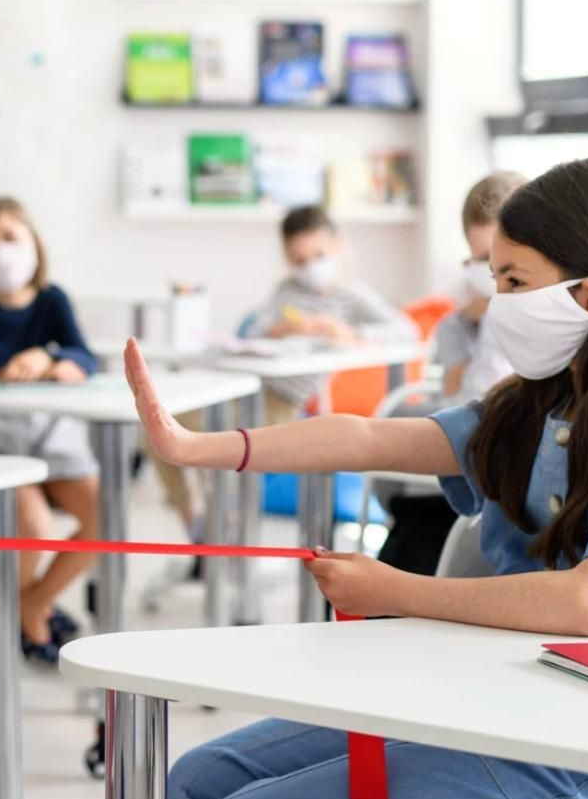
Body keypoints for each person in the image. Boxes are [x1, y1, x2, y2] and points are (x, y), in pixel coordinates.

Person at [124, 156, 588, 799]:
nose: (497, 304)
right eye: (493, 278)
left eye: (514, 281)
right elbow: (367, 439)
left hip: (570, 752)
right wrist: (197, 447)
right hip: (473, 698)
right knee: (201, 783)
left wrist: (398, 589)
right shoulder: (536, 405)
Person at [152, 204, 419, 542]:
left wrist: (350, 333)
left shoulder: (352, 297)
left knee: (208, 440)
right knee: (156, 430)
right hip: (247, 386)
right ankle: (196, 524)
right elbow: (254, 331)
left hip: (286, 402)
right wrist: (280, 329)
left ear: (338, 245)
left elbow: (405, 330)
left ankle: (224, 525)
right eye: (299, 260)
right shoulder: (286, 291)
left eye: (318, 255)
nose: (311, 267)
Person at [0, 195, 101, 664]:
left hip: (46, 433)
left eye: (9, 238)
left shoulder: (52, 299)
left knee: (104, 514)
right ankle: (28, 623)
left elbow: (84, 355)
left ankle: (31, 603)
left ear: (33, 243)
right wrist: (12, 365)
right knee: (32, 523)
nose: (0, 251)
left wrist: (51, 359)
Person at [376, 170, 526, 575]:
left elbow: (477, 393)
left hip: (501, 470)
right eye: (478, 260)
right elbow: (458, 398)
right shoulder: (456, 325)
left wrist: (496, 313)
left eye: (495, 261)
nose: (485, 271)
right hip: (462, 457)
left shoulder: (529, 320)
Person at [432, 170, 526, 403]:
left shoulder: (556, 318)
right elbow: (469, 403)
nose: (495, 270)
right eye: (484, 259)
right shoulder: (454, 328)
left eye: (507, 260)